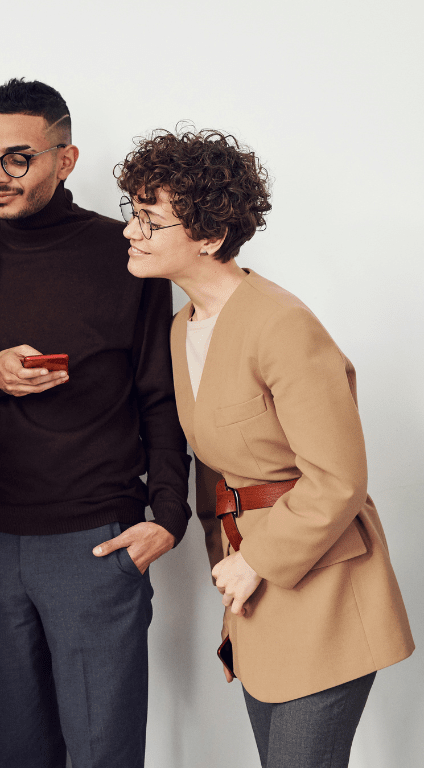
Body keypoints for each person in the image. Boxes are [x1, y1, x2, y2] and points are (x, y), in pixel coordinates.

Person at [116, 127, 413, 768]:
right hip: (252, 592)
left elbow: (338, 478)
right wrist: (232, 561)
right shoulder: (179, 328)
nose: (130, 232)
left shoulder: (283, 324)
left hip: (324, 584)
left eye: (149, 219)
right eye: (131, 214)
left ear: (210, 237)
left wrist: (256, 561)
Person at [0, 79, 191, 768]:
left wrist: (167, 516)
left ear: (67, 158)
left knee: (103, 755)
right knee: (14, 756)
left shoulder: (127, 254)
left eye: (19, 158)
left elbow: (159, 396)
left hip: (96, 541)